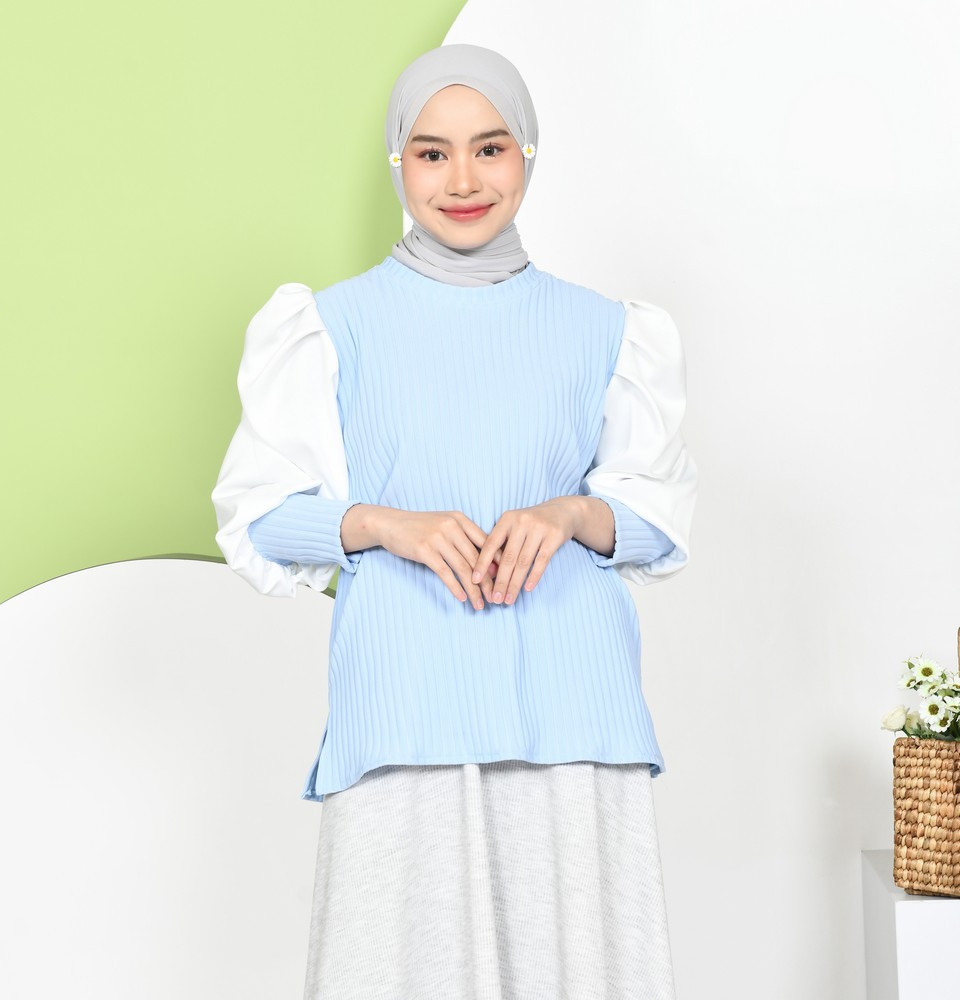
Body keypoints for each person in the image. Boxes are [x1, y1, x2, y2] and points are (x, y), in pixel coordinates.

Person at [211, 42, 697, 1000]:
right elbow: (256, 520)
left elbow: (663, 521)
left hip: (575, 713)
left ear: (528, 153)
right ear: (400, 162)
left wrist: (573, 513)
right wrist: (382, 525)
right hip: (405, 711)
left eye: (491, 147)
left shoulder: (608, 330)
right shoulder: (330, 326)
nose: (463, 180)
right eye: (432, 153)